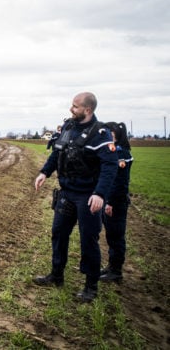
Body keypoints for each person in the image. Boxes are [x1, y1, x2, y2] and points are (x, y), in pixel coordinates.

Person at [33, 92, 118, 302]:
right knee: (58, 233)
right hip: (67, 192)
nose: (71, 109)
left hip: (88, 196)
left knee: (88, 239)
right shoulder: (69, 127)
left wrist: (100, 194)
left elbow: (110, 167)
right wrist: (44, 172)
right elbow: (57, 153)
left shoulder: (100, 133)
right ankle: (56, 274)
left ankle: (91, 286)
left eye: (75, 106)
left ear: (87, 110)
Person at [100, 121, 134, 283]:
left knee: (116, 236)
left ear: (115, 135)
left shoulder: (121, 153)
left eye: (109, 134)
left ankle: (116, 272)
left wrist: (110, 202)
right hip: (113, 200)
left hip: (117, 202)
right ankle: (111, 267)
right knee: (112, 235)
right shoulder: (117, 151)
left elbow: (119, 182)